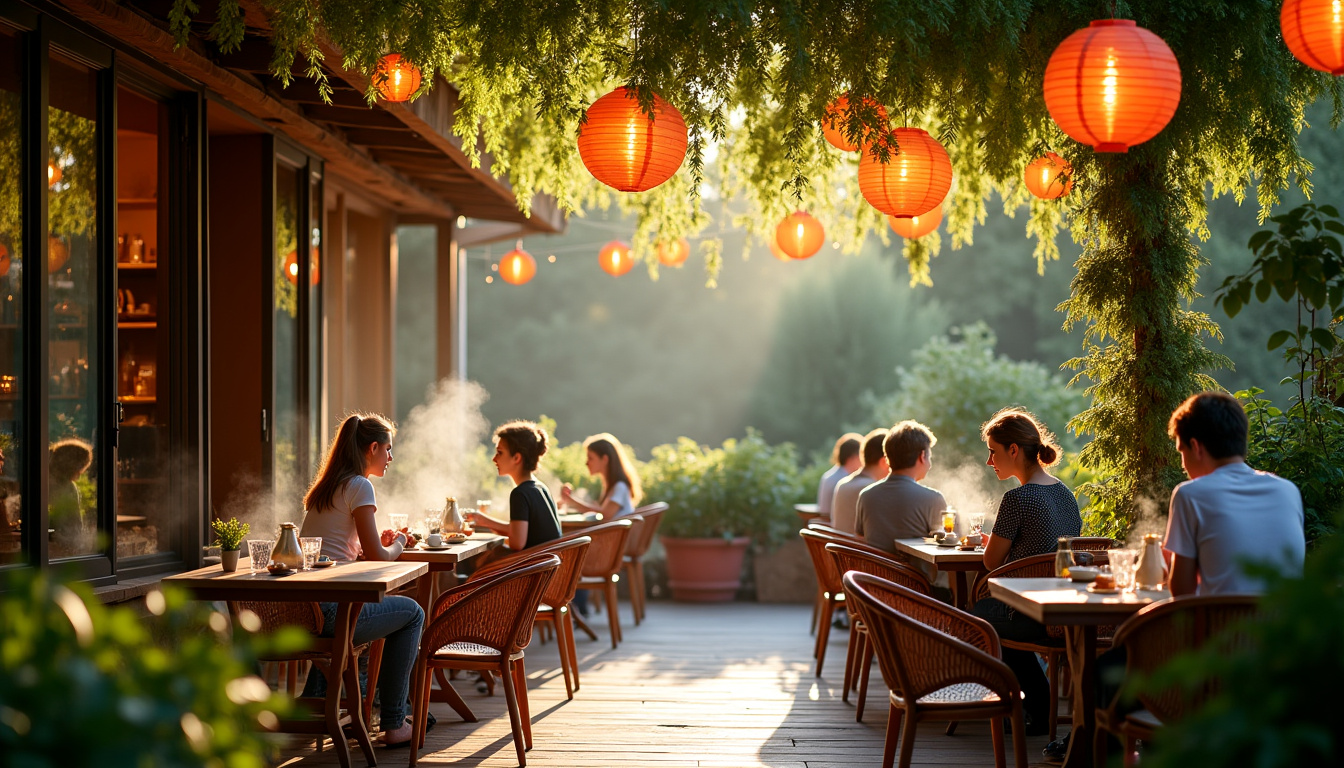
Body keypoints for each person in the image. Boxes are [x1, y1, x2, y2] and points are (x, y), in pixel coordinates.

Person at [298, 413, 424, 748]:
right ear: (372, 448)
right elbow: (381, 559)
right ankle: (395, 721)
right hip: (334, 613)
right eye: (388, 450)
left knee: (386, 612)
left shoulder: (327, 488)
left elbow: (346, 554)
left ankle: (327, 704)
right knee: (413, 614)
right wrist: (399, 542)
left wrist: (378, 545)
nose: (391, 458)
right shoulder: (359, 485)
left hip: (305, 610)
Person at [971, 407, 1080, 739]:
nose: (990, 461)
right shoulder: (1065, 494)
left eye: (993, 451)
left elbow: (991, 563)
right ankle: (1035, 706)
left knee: (979, 617)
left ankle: (1032, 704)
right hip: (1066, 605)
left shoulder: (1017, 498)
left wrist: (987, 543)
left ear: (1013, 450)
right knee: (994, 616)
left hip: (1029, 607)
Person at [1163, 391, 1305, 596]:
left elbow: (1182, 593)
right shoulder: (1288, 491)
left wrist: (1174, 561)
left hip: (1222, 627)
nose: (1182, 464)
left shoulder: (1190, 495)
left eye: (1181, 452)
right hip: (1283, 626)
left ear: (1196, 447)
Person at [468, 420, 562, 553]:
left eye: (500, 453)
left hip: (532, 570)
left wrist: (486, 524)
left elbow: (517, 543)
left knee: (476, 560)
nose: (494, 459)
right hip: (548, 569)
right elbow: (522, 531)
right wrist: (483, 520)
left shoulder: (520, 494)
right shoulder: (541, 488)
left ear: (517, 458)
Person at [854, 421, 947, 554]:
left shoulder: (866, 495)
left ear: (887, 458)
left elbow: (860, 538)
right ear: (922, 456)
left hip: (874, 574)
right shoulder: (933, 499)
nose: (930, 464)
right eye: (930, 456)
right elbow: (944, 547)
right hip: (916, 575)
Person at [560, 433, 642, 519]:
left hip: (612, 532)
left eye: (590, 458)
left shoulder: (620, 487)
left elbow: (605, 515)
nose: (586, 463)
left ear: (605, 459)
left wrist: (572, 502)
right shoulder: (612, 486)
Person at [830, 428, 888, 535]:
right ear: (884, 461)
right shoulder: (872, 489)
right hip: (859, 551)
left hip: (839, 550)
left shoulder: (842, 484)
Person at [49, 438, 95, 557]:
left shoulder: (68, 487)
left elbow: (75, 525)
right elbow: (73, 525)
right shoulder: (62, 488)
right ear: (71, 466)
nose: (82, 472)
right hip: (56, 550)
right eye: (81, 468)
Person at [817, 432, 863, 520]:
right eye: (861, 457)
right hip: (834, 529)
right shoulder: (845, 481)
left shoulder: (828, 476)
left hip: (824, 527)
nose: (862, 462)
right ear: (852, 458)